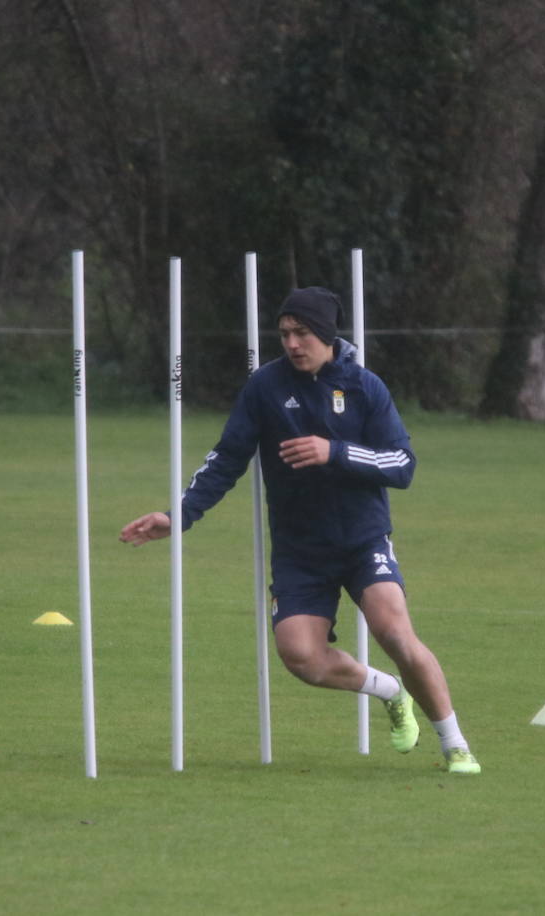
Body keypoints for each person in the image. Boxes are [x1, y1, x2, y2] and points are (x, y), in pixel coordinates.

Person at [120, 286, 480, 774]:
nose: (292, 343)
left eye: (302, 333)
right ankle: (390, 692)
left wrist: (335, 452)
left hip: (362, 539)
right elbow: (227, 458)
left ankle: (454, 742)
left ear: (327, 335)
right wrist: (178, 515)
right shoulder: (265, 387)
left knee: (394, 630)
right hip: (299, 550)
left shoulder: (365, 387)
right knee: (300, 657)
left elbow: (403, 465)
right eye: (285, 333)